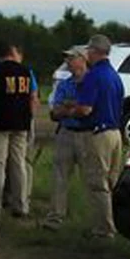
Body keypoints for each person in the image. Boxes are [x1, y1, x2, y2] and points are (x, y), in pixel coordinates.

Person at [72, 35, 125, 238]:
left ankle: (103, 229)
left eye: (88, 50)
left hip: (99, 133)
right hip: (115, 134)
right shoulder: (114, 75)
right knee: (111, 182)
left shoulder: (94, 76)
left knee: (97, 183)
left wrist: (70, 111)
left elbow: (85, 109)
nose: (86, 54)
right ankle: (113, 224)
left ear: (94, 51)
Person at [0, 42, 39, 220]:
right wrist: (30, 118)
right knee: (19, 163)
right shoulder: (27, 71)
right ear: (13, 53)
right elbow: (33, 97)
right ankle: (21, 205)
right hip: (21, 123)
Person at [41, 45, 89, 231]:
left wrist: (69, 108)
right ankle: (55, 217)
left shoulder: (92, 82)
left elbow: (88, 110)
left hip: (87, 134)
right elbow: (54, 113)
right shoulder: (64, 84)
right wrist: (71, 109)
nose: (67, 62)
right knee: (60, 177)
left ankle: (91, 220)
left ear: (82, 59)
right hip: (66, 133)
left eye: (71, 58)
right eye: (67, 58)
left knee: (90, 179)